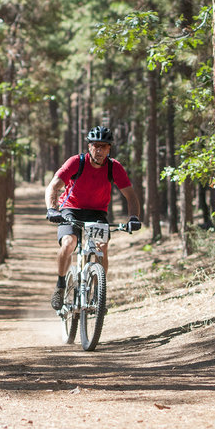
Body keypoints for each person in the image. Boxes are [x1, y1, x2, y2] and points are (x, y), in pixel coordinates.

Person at [45, 125, 141, 311]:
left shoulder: (114, 167)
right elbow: (53, 186)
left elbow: (131, 196)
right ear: (89, 147)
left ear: (109, 149)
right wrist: (52, 209)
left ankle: (99, 293)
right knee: (68, 242)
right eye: (95, 145)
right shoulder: (76, 162)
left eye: (103, 146)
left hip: (97, 212)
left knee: (102, 247)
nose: (99, 150)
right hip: (70, 209)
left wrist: (134, 217)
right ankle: (60, 284)